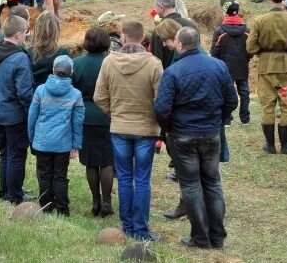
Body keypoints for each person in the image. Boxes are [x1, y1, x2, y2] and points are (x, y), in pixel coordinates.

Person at [154, 26, 237, 249]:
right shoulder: (218, 66)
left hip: (184, 135)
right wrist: (218, 119)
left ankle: (200, 237)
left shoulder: (173, 71)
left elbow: (161, 109)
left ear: (180, 45)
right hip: (210, 133)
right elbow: (232, 100)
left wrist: (170, 128)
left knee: (191, 186)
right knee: (212, 183)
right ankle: (217, 237)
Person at [94, 19, 164, 242]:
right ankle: (140, 229)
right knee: (142, 179)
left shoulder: (109, 62)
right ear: (142, 38)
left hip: (120, 127)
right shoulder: (154, 64)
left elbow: (99, 97)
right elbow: (161, 100)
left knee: (124, 178)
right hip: (146, 128)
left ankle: (127, 226)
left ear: (123, 36)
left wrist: (114, 114)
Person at [0, 15, 35, 204]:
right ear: (19, 34)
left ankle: (5, 190)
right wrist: (31, 115)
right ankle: (14, 194)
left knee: (5, 153)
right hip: (14, 115)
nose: (27, 36)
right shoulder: (20, 58)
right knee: (16, 155)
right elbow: (25, 92)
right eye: (26, 32)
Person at [246, 0, 287, 154]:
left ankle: (270, 145)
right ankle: (285, 145)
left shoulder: (259, 21)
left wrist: (262, 52)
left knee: (267, 106)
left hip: (266, 66)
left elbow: (250, 46)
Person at [28, 55, 85, 216]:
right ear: (72, 72)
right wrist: (76, 145)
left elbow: (32, 117)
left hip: (42, 142)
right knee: (60, 175)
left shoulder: (40, 90)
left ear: (53, 70)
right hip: (63, 143)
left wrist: (31, 137)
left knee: (44, 174)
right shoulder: (75, 94)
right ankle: (62, 208)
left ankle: (46, 205)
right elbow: (77, 122)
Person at [73, 28, 115, 217]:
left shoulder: (77, 64)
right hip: (108, 116)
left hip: (85, 117)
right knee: (107, 161)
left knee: (90, 162)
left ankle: (95, 201)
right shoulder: (112, 63)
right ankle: (106, 202)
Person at [210, 0, 251, 124]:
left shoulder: (219, 31)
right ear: (237, 12)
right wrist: (246, 59)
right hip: (242, 65)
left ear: (225, 13)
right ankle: (245, 118)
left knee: (226, 92)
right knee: (244, 91)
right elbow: (251, 48)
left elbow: (214, 51)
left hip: (224, 66)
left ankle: (226, 119)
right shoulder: (247, 30)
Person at [149, 0, 198, 70]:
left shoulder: (159, 29)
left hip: (169, 73)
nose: (155, 9)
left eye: (155, 6)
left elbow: (157, 59)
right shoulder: (191, 25)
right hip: (193, 69)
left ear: (161, 7)